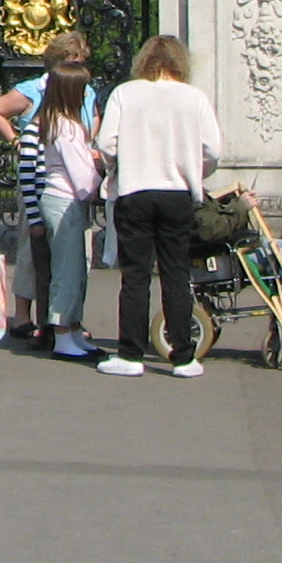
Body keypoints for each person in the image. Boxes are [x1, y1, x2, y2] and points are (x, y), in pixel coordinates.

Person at [90, 35, 222, 378]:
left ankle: (131, 353)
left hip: (135, 190)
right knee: (176, 273)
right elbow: (213, 149)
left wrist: (119, 166)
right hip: (177, 192)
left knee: (135, 275)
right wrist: (194, 170)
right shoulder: (194, 98)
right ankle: (183, 356)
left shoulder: (125, 93)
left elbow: (106, 143)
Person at [0, 30, 95, 338]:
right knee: (32, 249)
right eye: (74, 59)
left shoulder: (86, 91)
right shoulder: (34, 91)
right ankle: (25, 315)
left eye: (82, 60)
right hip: (41, 179)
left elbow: (92, 122)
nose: (80, 65)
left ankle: (66, 317)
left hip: (71, 179)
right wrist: (15, 140)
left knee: (74, 257)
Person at [21, 60, 104, 360]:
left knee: (75, 269)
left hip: (60, 199)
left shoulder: (55, 122)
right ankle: (62, 333)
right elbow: (81, 175)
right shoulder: (66, 126)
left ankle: (72, 330)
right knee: (68, 271)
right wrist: (100, 185)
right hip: (64, 200)